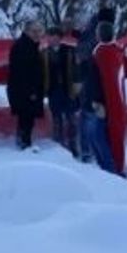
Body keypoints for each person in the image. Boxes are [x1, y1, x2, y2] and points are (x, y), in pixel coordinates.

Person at [80, 21, 119, 174]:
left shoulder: (102, 53)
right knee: (94, 137)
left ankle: (109, 170)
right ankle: (104, 168)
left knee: (97, 137)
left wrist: (97, 102)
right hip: (92, 101)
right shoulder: (104, 52)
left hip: (96, 103)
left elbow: (97, 80)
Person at [7, 20, 46, 151]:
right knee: (26, 119)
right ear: (27, 31)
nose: (37, 34)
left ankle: (24, 143)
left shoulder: (30, 46)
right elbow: (22, 73)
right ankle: (24, 144)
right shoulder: (23, 47)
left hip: (26, 91)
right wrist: (32, 91)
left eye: (39, 31)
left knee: (27, 119)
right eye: (34, 31)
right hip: (25, 92)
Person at [44, 26, 80, 156]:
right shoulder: (44, 53)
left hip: (68, 89)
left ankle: (73, 146)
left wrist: (76, 85)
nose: (50, 39)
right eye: (49, 36)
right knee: (56, 119)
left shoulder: (70, 51)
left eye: (53, 36)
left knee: (71, 119)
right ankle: (59, 148)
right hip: (53, 91)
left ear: (59, 38)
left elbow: (77, 69)